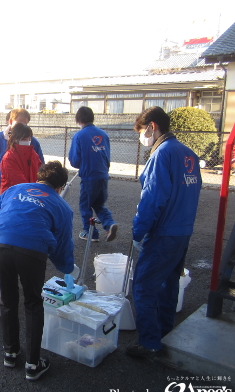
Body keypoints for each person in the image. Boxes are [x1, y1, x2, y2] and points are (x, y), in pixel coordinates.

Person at [0, 161, 75, 381]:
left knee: (8, 300)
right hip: (32, 251)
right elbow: (62, 244)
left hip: (1, 245)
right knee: (33, 303)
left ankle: (10, 353)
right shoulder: (61, 205)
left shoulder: (14, 190)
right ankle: (33, 365)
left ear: (38, 177)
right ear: (60, 187)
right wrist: (67, 269)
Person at [126, 106, 201, 357]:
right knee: (169, 283)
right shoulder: (187, 153)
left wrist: (138, 231)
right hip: (183, 231)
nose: (142, 137)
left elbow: (152, 198)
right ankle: (166, 331)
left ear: (152, 126)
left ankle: (149, 343)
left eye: (142, 131)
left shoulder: (162, 154)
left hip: (163, 232)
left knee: (144, 287)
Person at [0, 108, 44, 259]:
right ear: (10, 121)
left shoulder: (32, 142)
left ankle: (21, 245)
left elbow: (40, 164)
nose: (23, 126)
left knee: (22, 218)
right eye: (20, 122)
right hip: (2, 185)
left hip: (28, 187)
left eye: (26, 123)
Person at [68, 106, 117, 242]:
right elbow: (107, 156)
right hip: (103, 175)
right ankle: (109, 225)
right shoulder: (103, 134)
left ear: (78, 119)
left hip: (89, 177)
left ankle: (90, 233)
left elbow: (74, 161)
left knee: (85, 205)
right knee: (98, 204)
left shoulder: (79, 136)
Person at [0, 123, 42, 194]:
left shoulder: (33, 154)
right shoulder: (9, 157)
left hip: (31, 193)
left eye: (29, 138)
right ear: (15, 139)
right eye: (24, 139)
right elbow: (18, 181)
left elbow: (40, 173)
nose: (28, 141)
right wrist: (35, 193)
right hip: (13, 196)